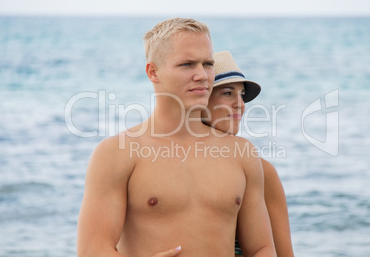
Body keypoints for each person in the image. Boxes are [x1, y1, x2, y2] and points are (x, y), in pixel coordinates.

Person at [77, 18, 276, 257]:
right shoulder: (117, 152)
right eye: (187, 64)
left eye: (208, 63)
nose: (202, 75)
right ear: (153, 72)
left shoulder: (242, 153)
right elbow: (92, 249)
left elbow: (262, 248)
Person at [202, 51, 294, 257]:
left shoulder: (263, 171)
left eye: (241, 96)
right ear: (200, 98)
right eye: (227, 93)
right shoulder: (169, 163)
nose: (240, 105)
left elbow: (283, 253)